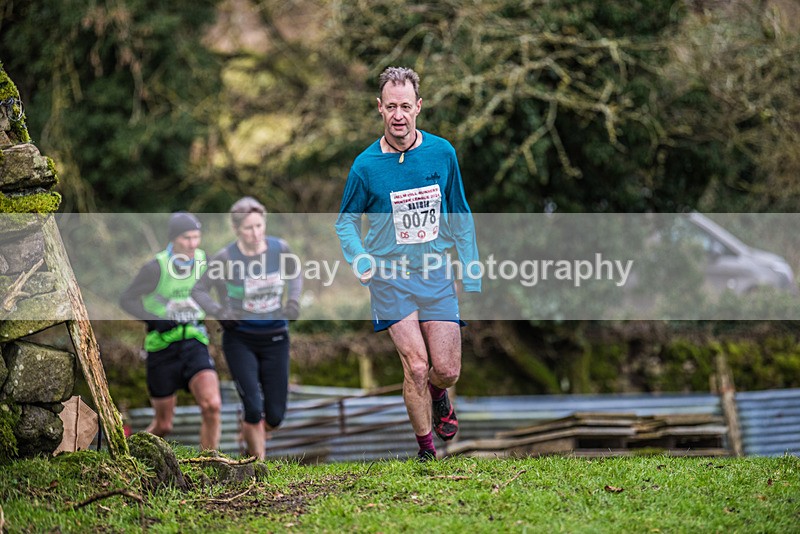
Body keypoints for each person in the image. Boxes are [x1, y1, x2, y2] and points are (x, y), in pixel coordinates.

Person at [335, 66, 481, 461]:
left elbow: (460, 212)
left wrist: (471, 266)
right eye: (390, 107)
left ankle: (439, 395)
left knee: (446, 370)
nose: (398, 115)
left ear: (418, 107)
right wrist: (360, 256)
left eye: (405, 106)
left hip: (435, 273)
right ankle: (426, 451)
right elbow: (345, 221)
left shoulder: (442, 153)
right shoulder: (365, 167)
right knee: (416, 366)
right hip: (389, 278)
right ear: (379, 109)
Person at [192, 196, 302, 459]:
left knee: (275, 415)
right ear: (237, 229)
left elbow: (295, 273)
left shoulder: (279, 248)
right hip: (240, 339)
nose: (255, 233)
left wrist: (294, 301)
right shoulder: (226, 257)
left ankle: (250, 436)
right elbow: (199, 289)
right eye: (248, 228)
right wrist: (219, 312)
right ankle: (258, 466)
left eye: (259, 226)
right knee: (253, 407)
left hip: (275, 336)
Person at [119, 212, 221, 450]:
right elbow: (127, 299)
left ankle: (210, 462)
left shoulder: (207, 263)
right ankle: (126, 455)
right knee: (164, 425)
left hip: (195, 341)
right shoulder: (155, 268)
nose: (193, 244)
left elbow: (225, 290)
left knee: (212, 405)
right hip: (162, 347)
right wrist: (154, 321)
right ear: (174, 238)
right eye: (187, 238)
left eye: (197, 237)